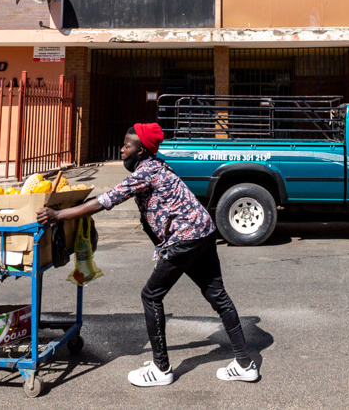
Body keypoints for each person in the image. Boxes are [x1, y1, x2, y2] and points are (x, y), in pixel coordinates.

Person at [37, 122, 258, 387]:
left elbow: (106, 200)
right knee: (217, 295)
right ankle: (245, 363)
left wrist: (57, 214)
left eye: (126, 146)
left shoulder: (146, 173)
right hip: (203, 231)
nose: (121, 150)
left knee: (151, 295)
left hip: (186, 238)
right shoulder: (156, 165)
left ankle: (161, 369)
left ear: (140, 151)